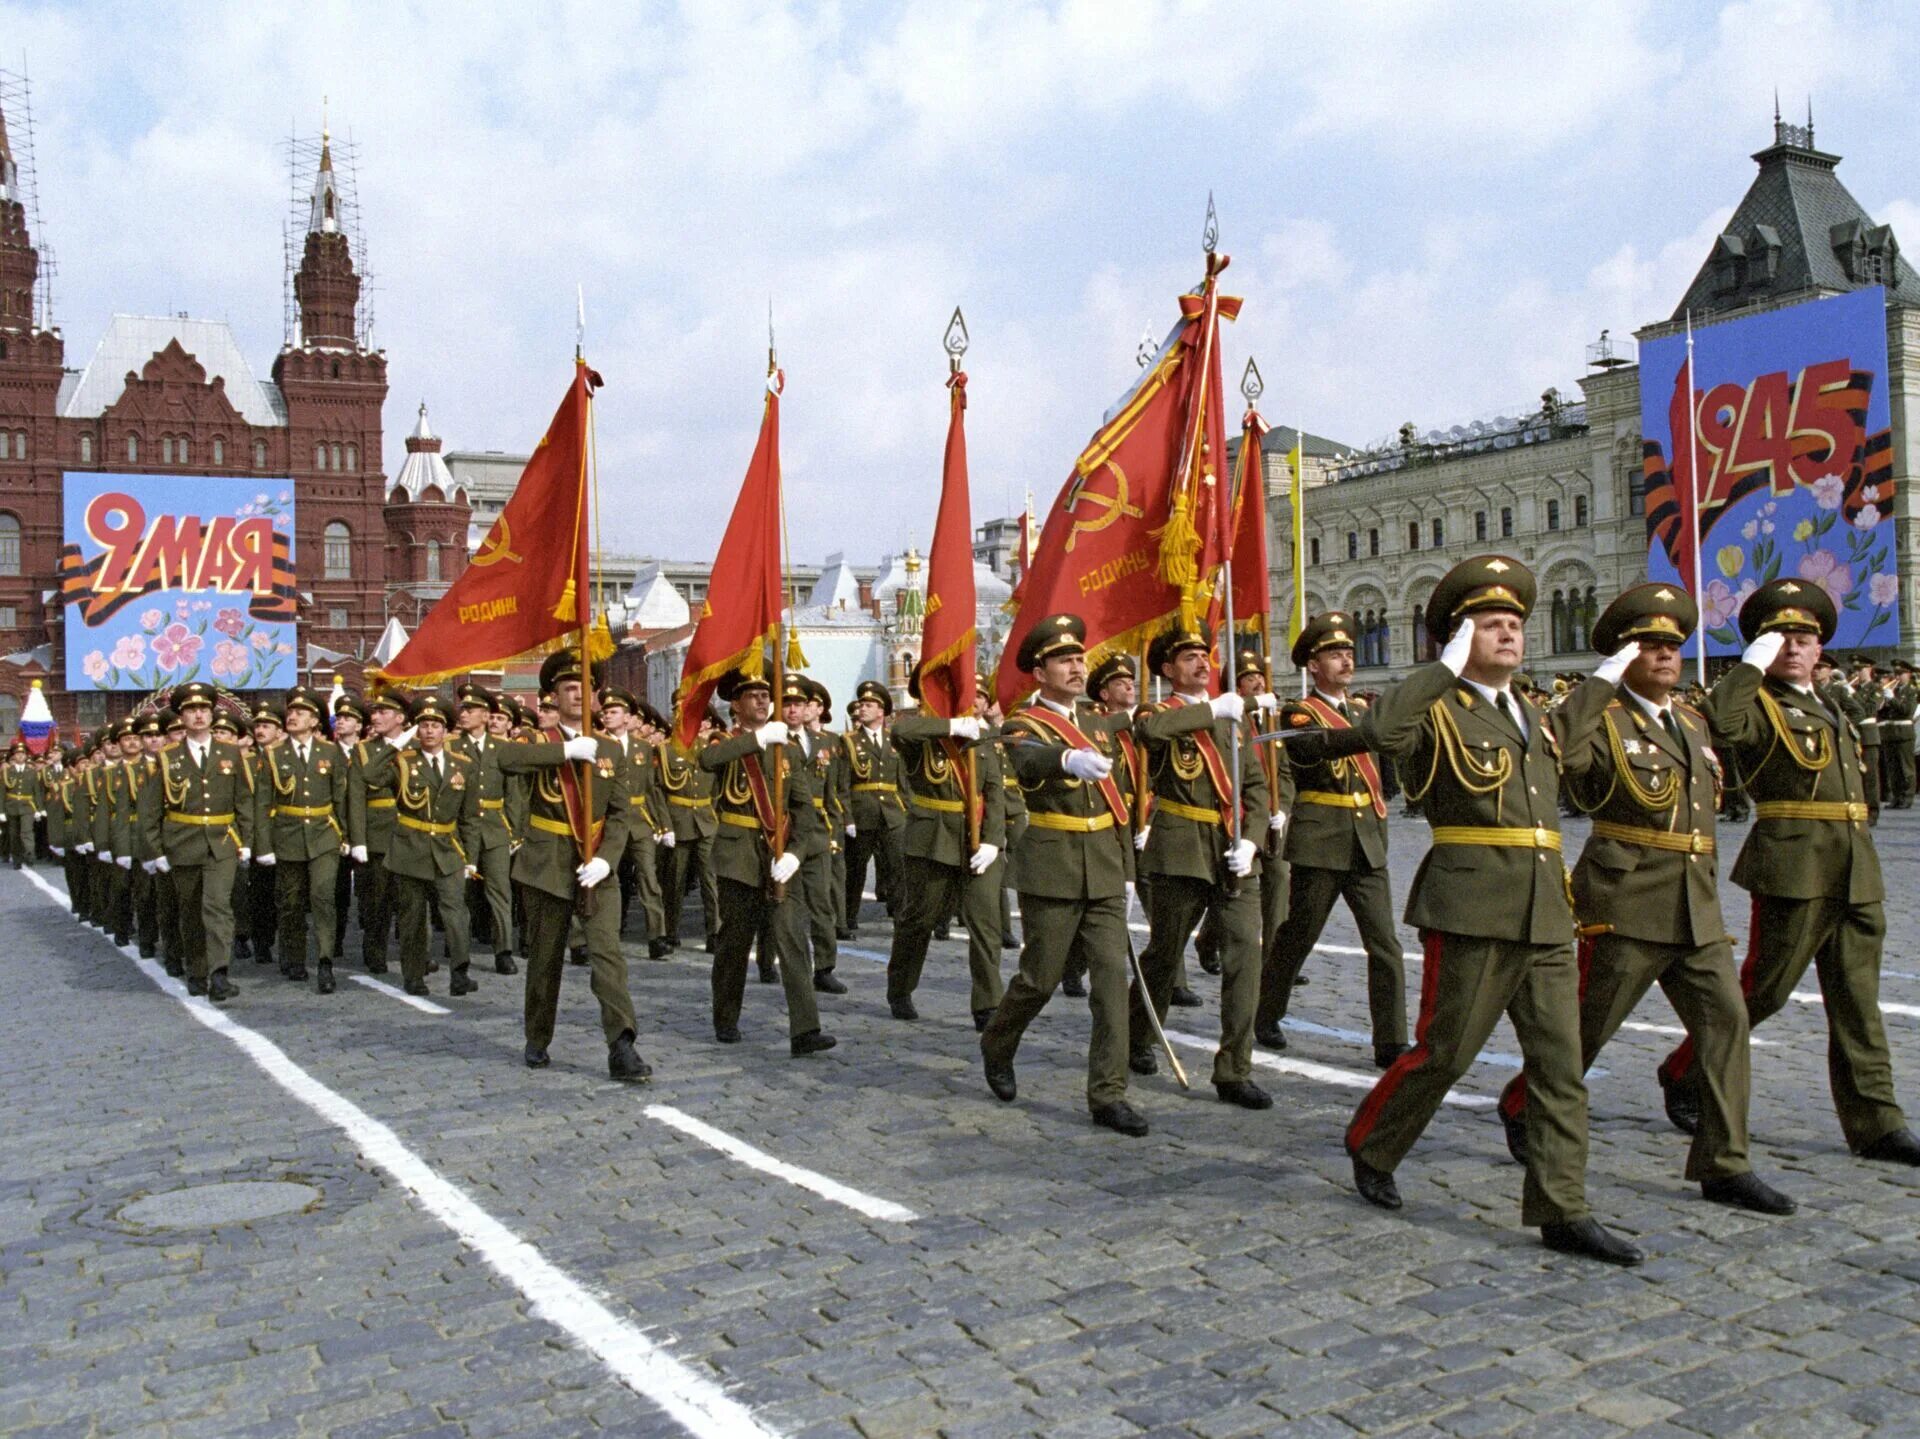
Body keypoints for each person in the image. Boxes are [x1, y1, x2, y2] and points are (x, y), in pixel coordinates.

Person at [1344, 555, 1644, 1266]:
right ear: (1456, 637)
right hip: (1474, 904)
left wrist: (1611, 672)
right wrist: (1437, 671)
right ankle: (1374, 1141)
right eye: (1489, 623)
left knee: (1560, 1066)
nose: (1508, 633)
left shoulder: (1532, 715)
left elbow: (1577, 724)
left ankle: (1562, 1206)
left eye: (1515, 623)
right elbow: (1381, 733)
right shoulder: (1437, 708)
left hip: (1545, 911)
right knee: (1446, 1051)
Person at [1496, 584, 1794, 1215]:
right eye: (1648, 645)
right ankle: (1523, 1101)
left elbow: (1730, 740)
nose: (1664, 655)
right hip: (1625, 898)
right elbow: (1560, 756)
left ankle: (1724, 1164)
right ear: (1622, 656)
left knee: (1727, 1022)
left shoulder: (1688, 720)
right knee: (1584, 1031)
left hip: (1695, 903)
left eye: (1672, 646)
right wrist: (1594, 688)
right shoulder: (1602, 718)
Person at [1657, 580, 1920, 1167]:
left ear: (1820, 646)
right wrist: (1748, 665)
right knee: (1765, 989)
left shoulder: (1830, 703)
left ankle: (1877, 1123)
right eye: (1781, 639)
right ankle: (1686, 1070)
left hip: (1854, 865)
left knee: (1858, 1001)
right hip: (1793, 863)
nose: (1794, 648)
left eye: (1804, 638)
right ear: (1762, 649)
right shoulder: (1757, 702)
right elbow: (1719, 724)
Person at [978, 614, 1146, 1136]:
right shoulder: (1023, 722)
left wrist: (1127, 870)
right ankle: (998, 1042)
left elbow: (1119, 800)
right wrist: (1066, 758)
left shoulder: (1098, 722)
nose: (1077, 668)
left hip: (1103, 861)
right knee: (1039, 978)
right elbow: (1027, 759)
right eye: (1064, 661)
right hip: (1052, 865)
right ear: (1039, 671)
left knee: (1111, 983)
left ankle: (1107, 1094)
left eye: (1079, 659)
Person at [1126, 622, 1276, 1110]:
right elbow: (1147, 732)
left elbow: (1254, 786)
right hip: (1180, 849)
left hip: (1232, 851)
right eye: (1187, 657)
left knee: (1244, 958)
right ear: (1168, 669)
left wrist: (1253, 842)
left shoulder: (1233, 719)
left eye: (1203, 655)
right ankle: (1138, 1035)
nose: (1199, 662)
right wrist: (1210, 709)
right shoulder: (1160, 710)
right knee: (1166, 954)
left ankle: (1234, 1069)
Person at [1259, 612, 1409, 1070]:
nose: (1345, 660)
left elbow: (1385, 773)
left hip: (1367, 839)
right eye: (1333, 654)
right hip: (1322, 840)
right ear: (1313, 664)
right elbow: (1310, 748)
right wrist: (1370, 734)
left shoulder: (1364, 710)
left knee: (1385, 944)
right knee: (1298, 936)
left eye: (1347, 652)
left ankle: (1391, 1041)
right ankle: (1266, 1014)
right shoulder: (1298, 712)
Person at [493, 651, 651, 1081]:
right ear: (554, 695)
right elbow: (504, 759)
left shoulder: (610, 750)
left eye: (586, 689)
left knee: (608, 957)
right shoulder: (537, 742)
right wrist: (564, 750)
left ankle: (622, 1045)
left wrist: (606, 859)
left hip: (597, 866)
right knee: (545, 961)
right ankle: (537, 1037)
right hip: (547, 864)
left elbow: (621, 815)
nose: (579, 695)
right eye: (569, 688)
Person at [699, 670, 837, 1055]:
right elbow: (707, 760)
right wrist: (757, 739)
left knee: (792, 940)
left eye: (766, 695)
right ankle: (725, 1016)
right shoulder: (725, 742)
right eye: (753, 696)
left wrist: (795, 854)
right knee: (735, 942)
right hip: (738, 857)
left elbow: (805, 813)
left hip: (780, 858)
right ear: (736, 705)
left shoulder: (788, 750)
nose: (762, 701)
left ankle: (805, 1029)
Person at [885, 669, 1006, 1031]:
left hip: (977, 839)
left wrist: (993, 840)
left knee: (986, 925)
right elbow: (899, 732)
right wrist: (951, 726)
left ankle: (987, 1004)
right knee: (919, 918)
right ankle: (900, 988)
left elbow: (996, 793)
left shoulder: (984, 739)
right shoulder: (924, 734)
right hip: (932, 840)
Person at [138, 682, 254, 1001]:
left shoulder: (229, 752)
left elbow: (244, 799)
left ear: (213, 714)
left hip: (222, 842)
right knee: (190, 911)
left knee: (217, 906)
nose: (199, 715)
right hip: (182, 843)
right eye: (191, 710)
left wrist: (246, 839)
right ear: (181, 716)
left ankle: (219, 973)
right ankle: (197, 971)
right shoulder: (166, 757)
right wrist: (155, 850)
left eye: (204, 709)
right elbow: (149, 810)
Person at [364, 694, 482, 997]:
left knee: (456, 914)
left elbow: (469, 817)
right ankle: (413, 976)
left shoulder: (463, 765)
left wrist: (471, 857)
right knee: (413, 916)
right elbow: (370, 775)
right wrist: (396, 743)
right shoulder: (404, 762)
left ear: (446, 731)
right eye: (424, 725)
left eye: (435, 725)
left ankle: (460, 973)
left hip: (447, 848)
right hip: (410, 849)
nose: (429, 731)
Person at [255, 686, 349, 994]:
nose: (293, 716)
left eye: (301, 713)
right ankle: (293, 956)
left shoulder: (331, 752)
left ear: (315, 721)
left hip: (323, 834)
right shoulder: (273, 754)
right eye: (291, 712)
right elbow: (263, 803)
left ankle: (324, 961)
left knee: (323, 896)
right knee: (291, 901)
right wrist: (264, 845)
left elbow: (341, 798)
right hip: (287, 834)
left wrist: (346, 835)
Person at [449, 684, 519, 974]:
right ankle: (458, 949)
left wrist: (515, 831)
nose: (463, 714)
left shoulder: (502, 748)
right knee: (458, 893)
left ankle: (503, 950)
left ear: (486, 715)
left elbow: (513, 793)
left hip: (493, 827)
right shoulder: (451, 747)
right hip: (459, 831)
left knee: (499, 892)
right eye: (462, 708)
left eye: (470, 709)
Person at [840, 680, 905, 934]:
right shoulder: (849, 741)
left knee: (897, 868)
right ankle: (848, 917)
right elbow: (843, 785)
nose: (862, 708)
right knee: (855, 870)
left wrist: (905, 811)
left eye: (869, 705)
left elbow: (903, 782)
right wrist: (847, 818)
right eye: (861, 704)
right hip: (861, 813)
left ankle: (901, 917)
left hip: (891, 813)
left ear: (881, 711)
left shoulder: (894, 740)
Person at [658, 706, 721, 952]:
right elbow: (658, 791)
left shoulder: (710, 751)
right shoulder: (665, 751)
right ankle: (670, 931)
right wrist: (664, 826)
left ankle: (714, 932)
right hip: (678, 821)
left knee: (710, 879)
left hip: (706, 820)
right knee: (675, 880)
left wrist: (713, 814)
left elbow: (716, 789)